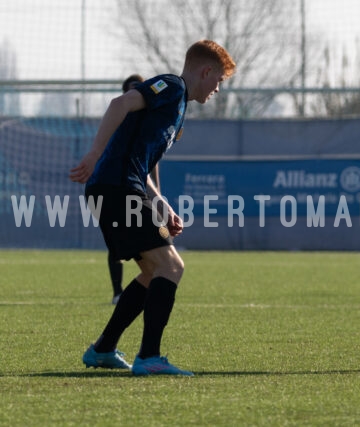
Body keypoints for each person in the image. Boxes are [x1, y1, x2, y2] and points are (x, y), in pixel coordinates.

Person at [70, 40, 236, 376]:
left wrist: (162, 205)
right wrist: (93, 154)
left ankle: (103, 349)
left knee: (152, 273)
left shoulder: (179, 109)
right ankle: (149, 357)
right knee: (172, 266)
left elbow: (140, 165)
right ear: (205, 72)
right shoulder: (172, 87)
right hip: (116, 189)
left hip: (122, 188)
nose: (217, 89)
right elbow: (120, 103)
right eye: (218, 81)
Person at [107, 74, 161, 305]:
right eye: (132, 89)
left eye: (140, 88)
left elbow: (151, 160)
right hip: (116, 188)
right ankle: (118, 292)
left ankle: (151, 287)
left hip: (140, 190)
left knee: (153, 245)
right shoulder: (117, 120)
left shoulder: (150, 120)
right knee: (115, 244)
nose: (137, 92)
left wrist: (157, 190)